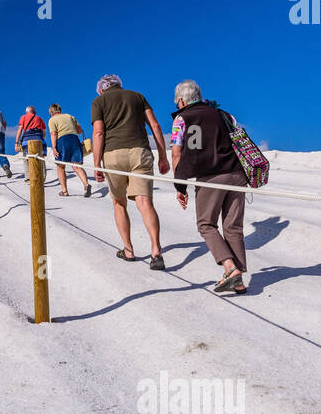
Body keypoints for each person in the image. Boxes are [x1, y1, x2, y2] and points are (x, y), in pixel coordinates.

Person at [171, 80, 249, 294]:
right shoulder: (224, 115)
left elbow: (177, 153)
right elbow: (240, 141)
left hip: (210, 177)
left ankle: (230, 269)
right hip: (236, 174)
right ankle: (238, 278)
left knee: (206, 224)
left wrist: (180, 186)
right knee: (233, 227)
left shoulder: (181, 118)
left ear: (181, 100)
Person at [91, 73, 169, 270]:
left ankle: (128, 250)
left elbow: (99, 132)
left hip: (113, 155)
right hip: (140, 151)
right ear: (119, 85)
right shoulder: (137, 96)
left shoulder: (98, 101)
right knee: (144, 202)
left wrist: (97, 163)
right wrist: (163, 156)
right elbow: (155, 125)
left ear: (102, 89)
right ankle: (156, 250)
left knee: (119, 203)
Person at [48, 104, 91, 197]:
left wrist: (54, 147)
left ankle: (64, 191)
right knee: (76, 166)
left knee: (60, 166)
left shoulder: (52, 120)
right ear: (60, 110)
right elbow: (79, 130)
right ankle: (86, 185)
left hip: (62, 141)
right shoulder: (70, 116)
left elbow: (53, 134)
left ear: (51, 112)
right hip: (74, 139)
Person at [15, 105, 48, 182]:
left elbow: (20, 130)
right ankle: (42, 177)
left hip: (27, 141)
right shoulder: (39, 118)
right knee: (41, 159)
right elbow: (43, 132)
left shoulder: (23, 117)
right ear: (34, 112)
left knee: (26, 159)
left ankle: (28, 177)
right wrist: (42, 140)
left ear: (26, 112)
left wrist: (16, 142)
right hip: (39, 141)